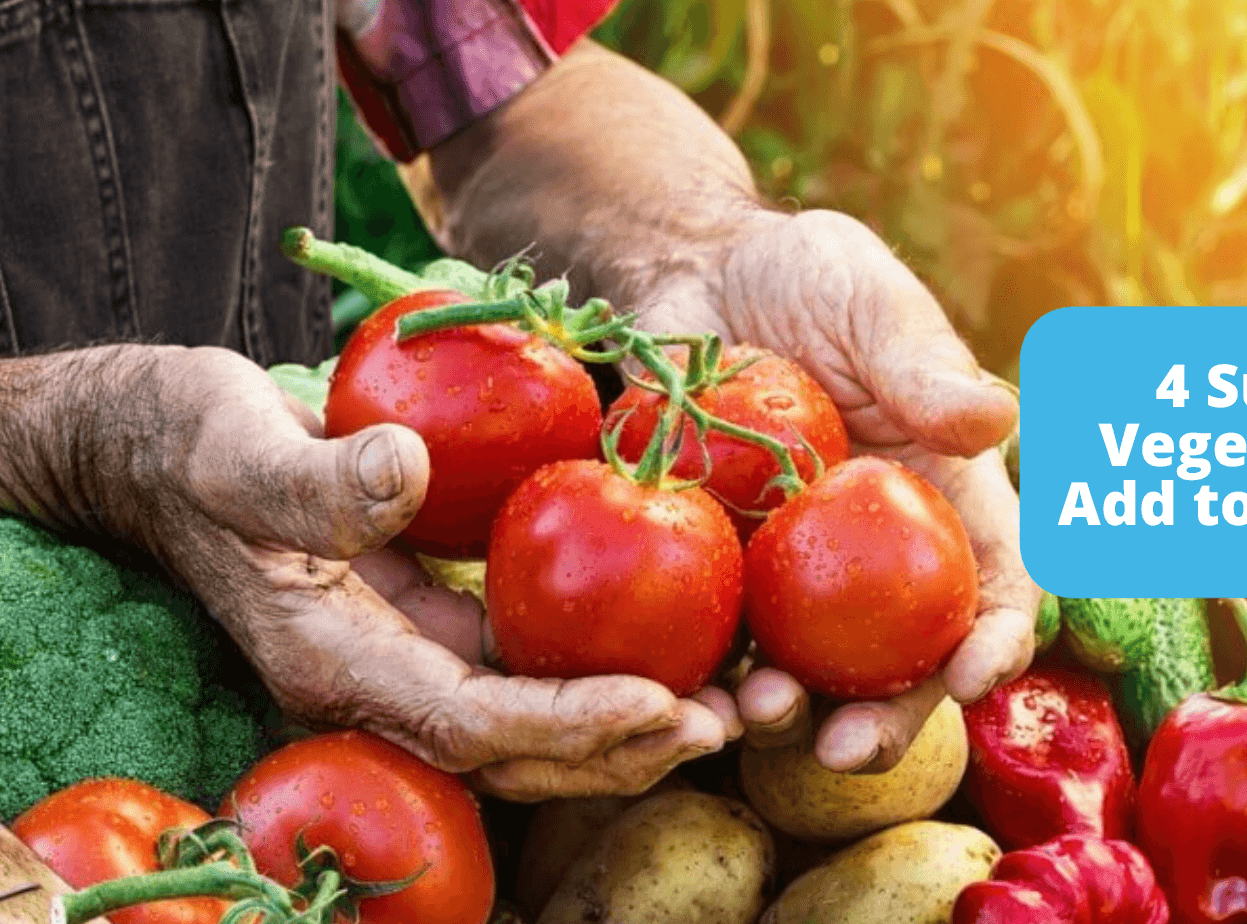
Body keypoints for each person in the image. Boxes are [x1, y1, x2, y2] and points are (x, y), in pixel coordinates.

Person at [0, 0, 1037, 799]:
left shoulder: (647, 431)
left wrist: (702, 249)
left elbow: (499, 79)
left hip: (317, 584)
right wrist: (71, 437)